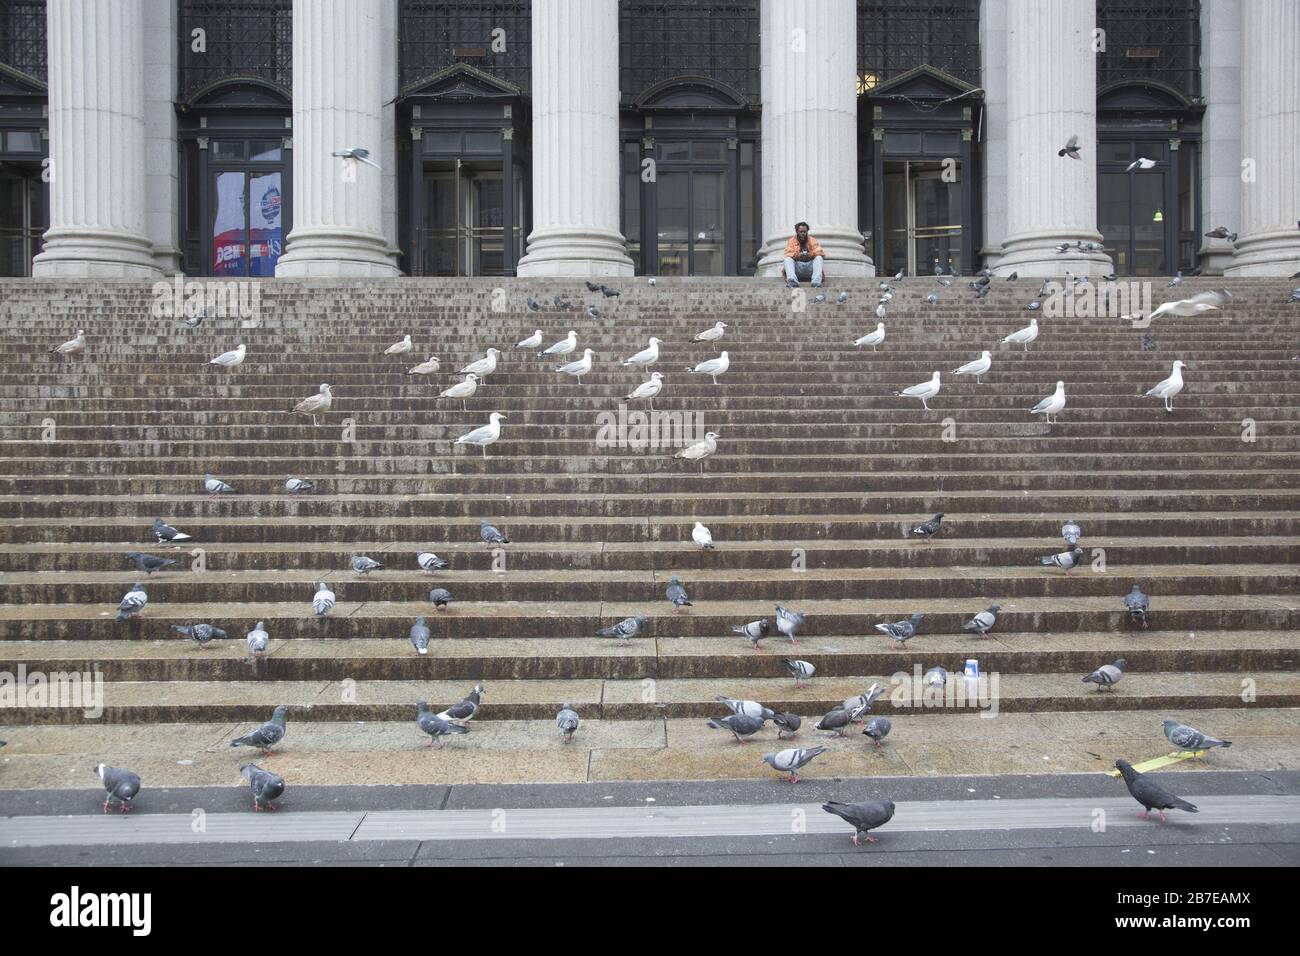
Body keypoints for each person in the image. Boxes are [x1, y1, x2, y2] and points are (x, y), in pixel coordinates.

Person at [783, 222, 825, 287]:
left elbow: (820, 252)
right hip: (797, 270)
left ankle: (816, 282)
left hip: (810, 269)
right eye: (801, 232)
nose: (803, 234)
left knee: (819, 257)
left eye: (805, 232)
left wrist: (810, 254)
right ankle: (792, 281)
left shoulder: (813, 240)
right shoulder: (791, 241)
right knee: (787, 259)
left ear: (807, 231)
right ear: (797, 231)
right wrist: (798, 255)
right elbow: (787, 253)